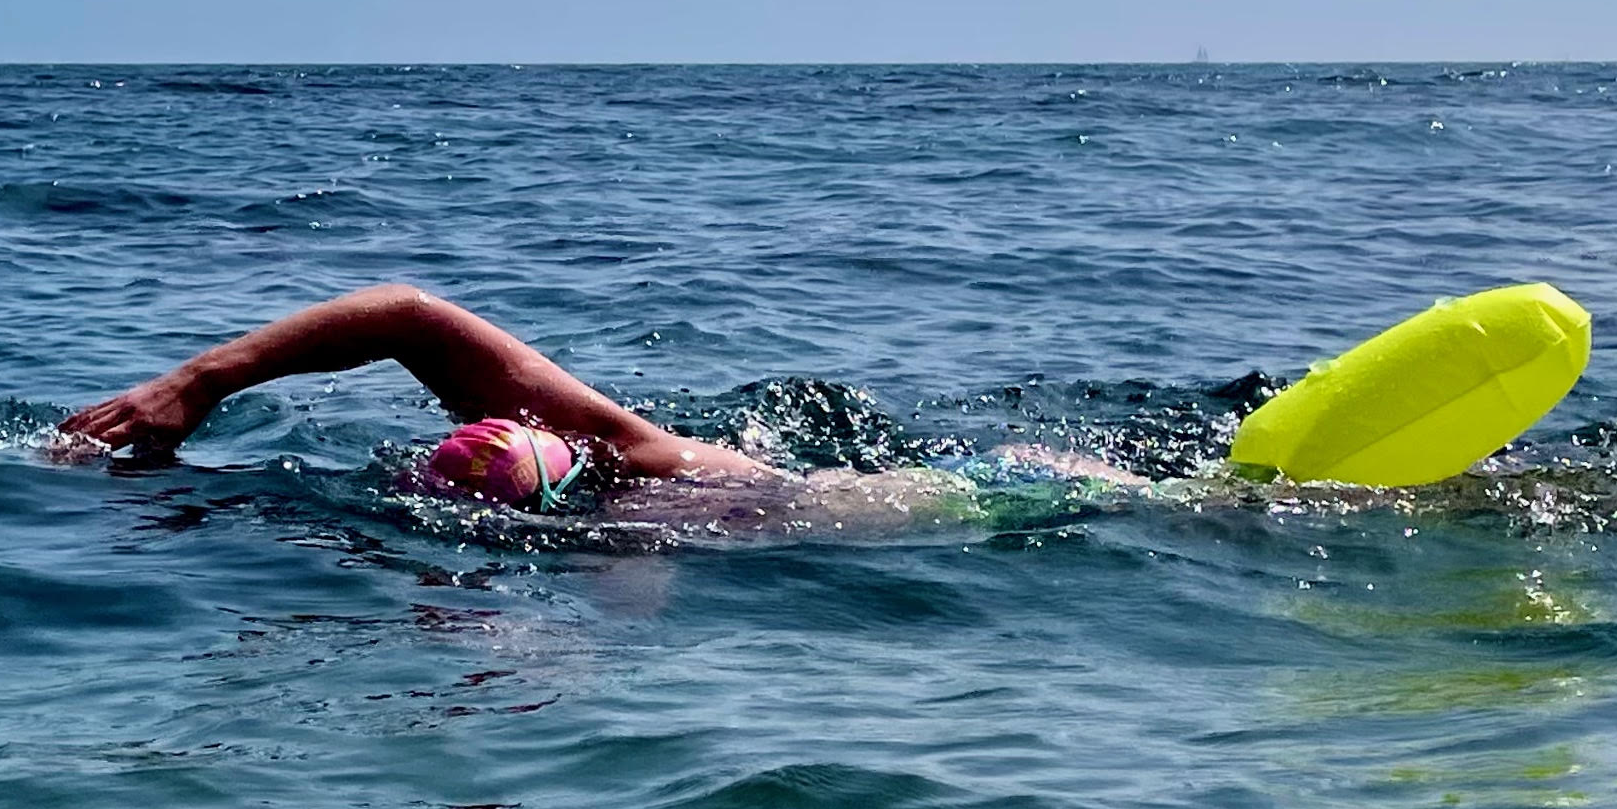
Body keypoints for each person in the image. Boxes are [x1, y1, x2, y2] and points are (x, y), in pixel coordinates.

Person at [57, 284, 1140, 525]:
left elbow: (403, 312)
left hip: (975, 497)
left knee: (1181, 500)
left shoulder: (637, 466)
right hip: (918, 504)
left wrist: (191, 383)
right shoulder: (620, 504)